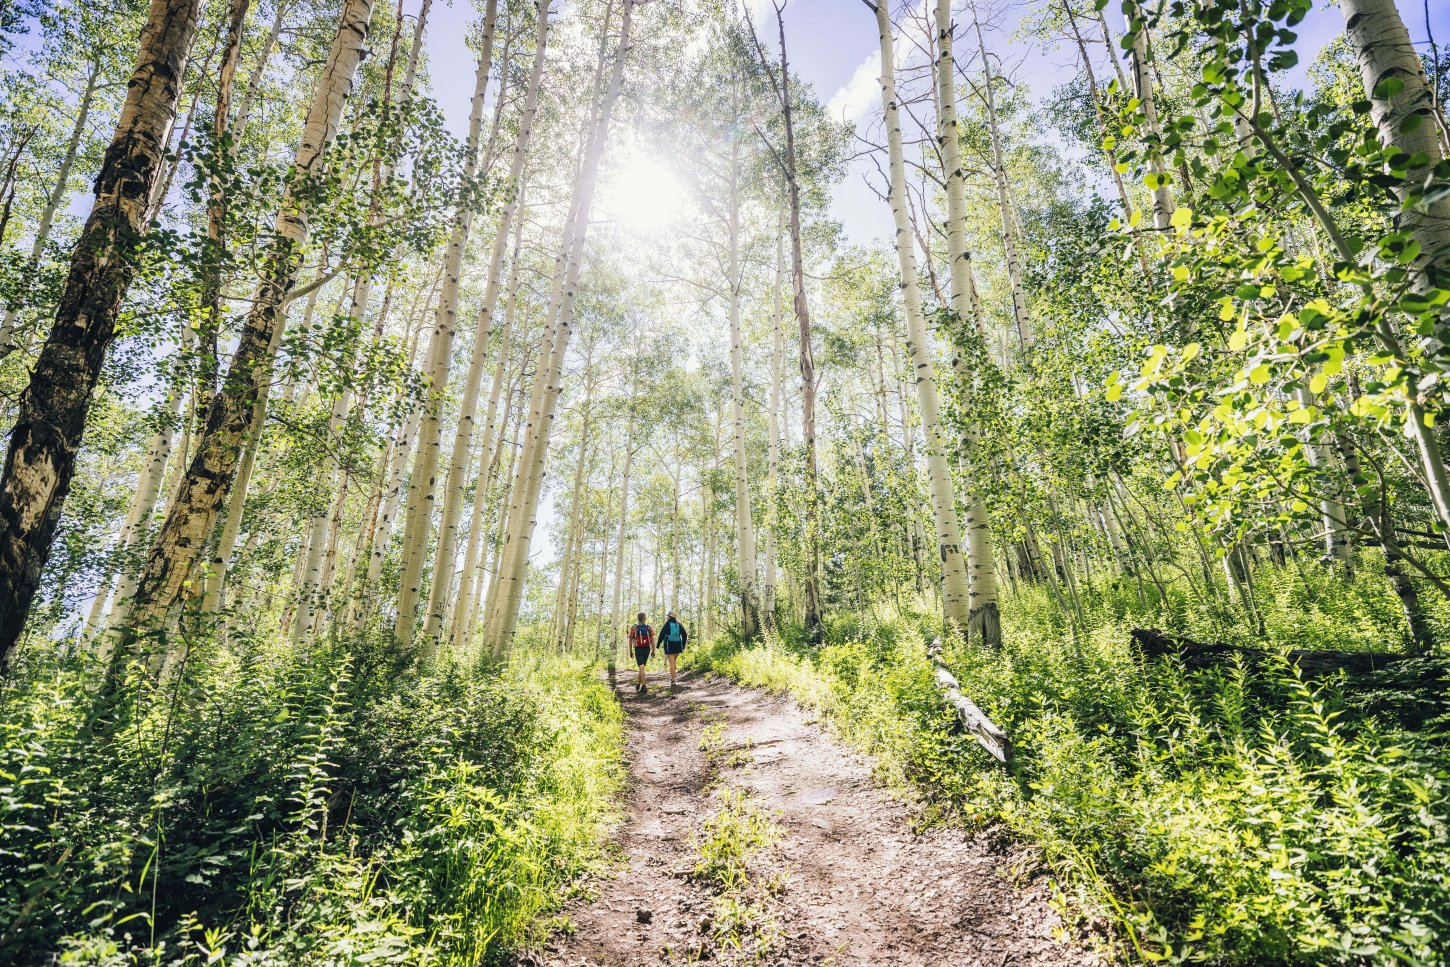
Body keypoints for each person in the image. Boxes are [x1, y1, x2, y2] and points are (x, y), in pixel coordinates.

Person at [658, 610, 688, 687]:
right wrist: (683, 645)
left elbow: (661, 634)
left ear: (669, 617)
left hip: (669, 644)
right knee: (673, 662)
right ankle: (673, 677)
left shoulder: (667, 624)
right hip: (678, 645)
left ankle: (673, 680)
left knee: (672, 663)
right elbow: (685, 635)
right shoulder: (679, 625)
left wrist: (658, 644)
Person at [627, 612, 654, 693]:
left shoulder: (634, 627)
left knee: (641, 668)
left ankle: (644, 686)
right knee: (641, 668)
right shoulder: (648, 627)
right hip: (647, 649)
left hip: (638, 649)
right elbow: (652, 639)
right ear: (644, 618)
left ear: (638, 618)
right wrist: (654, 650)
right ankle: (638, 684)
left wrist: (630, 651)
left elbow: (630, 640)